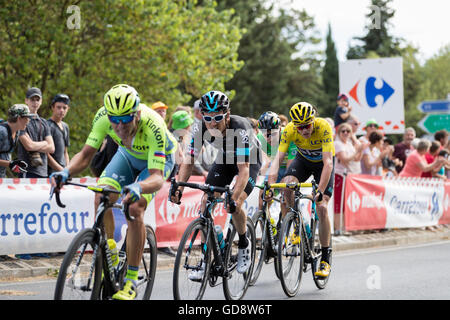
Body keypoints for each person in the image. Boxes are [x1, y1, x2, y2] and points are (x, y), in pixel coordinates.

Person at [50, 84, 178, 300]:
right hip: (127, 155)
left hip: (157, 162)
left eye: (125, 119)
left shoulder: (154, 124)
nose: (119, 126)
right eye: (114, 119)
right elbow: (85, 155)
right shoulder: (102, 117)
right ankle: (110, 251)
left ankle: (131, 280)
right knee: (102, 193)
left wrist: (139, 186)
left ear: (136, 113)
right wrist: (65, 171)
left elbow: (156, 176)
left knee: (134, 208)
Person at [170, 90, 261, 277]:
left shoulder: (241, 127)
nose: (212, 123)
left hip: (249, 161)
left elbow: (243, 169)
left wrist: (234, 197)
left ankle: (244, 244)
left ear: (227, 115)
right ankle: (205, 261)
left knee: (234, 204)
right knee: (206, 202)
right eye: (207, 118)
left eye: (217, 118)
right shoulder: (199, 128)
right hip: (225, 159)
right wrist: (179, 186)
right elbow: (188, 160)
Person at [268, 102, 335, 278]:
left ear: (313, 120)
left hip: (323, 165)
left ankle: (326, 258)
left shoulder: (324, 127)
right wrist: (270, 183)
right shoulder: (289, 130)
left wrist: (320, 191)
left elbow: (328, 163)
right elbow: (278, 158)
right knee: (287, 185)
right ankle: (296, 224)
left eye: (307, 125)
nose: (304, 130)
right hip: (303, 161)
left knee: (321, 206)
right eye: (300, 127)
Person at [256, 111, 296, 211]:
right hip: (273, 168)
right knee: (263, 200)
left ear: (279, 129)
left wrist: (286, 180)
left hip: (288, 167)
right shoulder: (260, 138)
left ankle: (289, 220)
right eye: (265, 134)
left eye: (272, 134)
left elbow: (291, 165)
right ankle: (267, 224)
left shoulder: (288, 136)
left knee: (285, 199)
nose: (269, 138)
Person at [333, 123, 365, 233]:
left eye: (348, 131)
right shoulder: (337, 144)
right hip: (339, 175)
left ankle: (344, 227)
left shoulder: (350, 144)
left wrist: (360, 150)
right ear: (339, 133)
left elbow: (356, 159)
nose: (346, 133)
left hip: (348, 175)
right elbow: (344, 159)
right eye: (343, 131)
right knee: (338, 202)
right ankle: (337, 228)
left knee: (345, 202)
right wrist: (357, 150)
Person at [17, 87, 55, 178]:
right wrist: (45, 143)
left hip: (43, 171)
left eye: (37, 100)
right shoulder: (21, 120)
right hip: (26, 170)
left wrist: (34, 145)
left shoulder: (44, 122)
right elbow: (28, 146)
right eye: (32, 99)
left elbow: (51, 148)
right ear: (26, 100)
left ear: (41, 101)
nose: (35, 102)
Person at [0, 104, 35, 178]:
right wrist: (10, 164)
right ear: (19, 118)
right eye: (27, 118)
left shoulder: (17, 132)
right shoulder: (2, 132)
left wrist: (14, 164)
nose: (28, 121)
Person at [47, 94, 71, 175]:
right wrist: (60, 169)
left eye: (64, 108)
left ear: (68, 109)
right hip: (50, 172)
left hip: (63, 171)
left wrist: (67, 169)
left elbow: (65, 152)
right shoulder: (47, 125)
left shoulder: (65, 126)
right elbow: (46, 154)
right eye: (58, 107)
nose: (61, 110)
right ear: (52, 107)